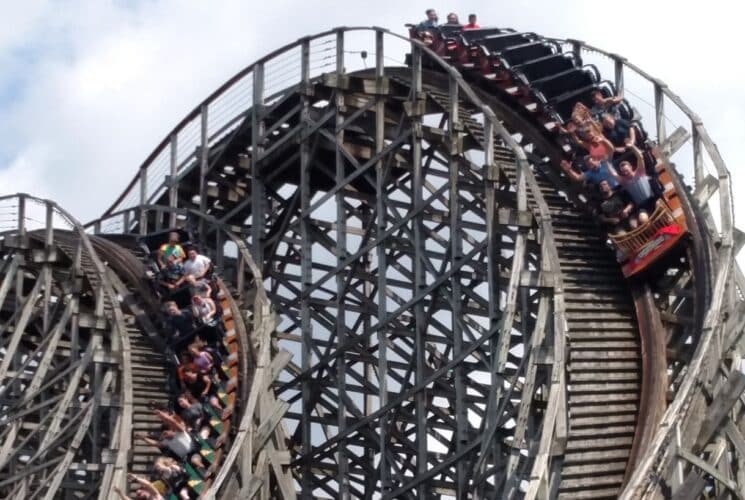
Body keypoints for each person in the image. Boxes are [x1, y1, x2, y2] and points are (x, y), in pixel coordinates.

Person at [605, 146, 658, 224]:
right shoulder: (624, 181)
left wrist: (632, 147)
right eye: (623, 172)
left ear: (631, 167)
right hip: (642, 205)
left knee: (660, 207)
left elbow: (640, 157)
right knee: (643, 219)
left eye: (626, 170)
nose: (626, 173)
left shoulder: (640, 172)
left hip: (652, 199)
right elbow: (612, 173)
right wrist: (606, 161)